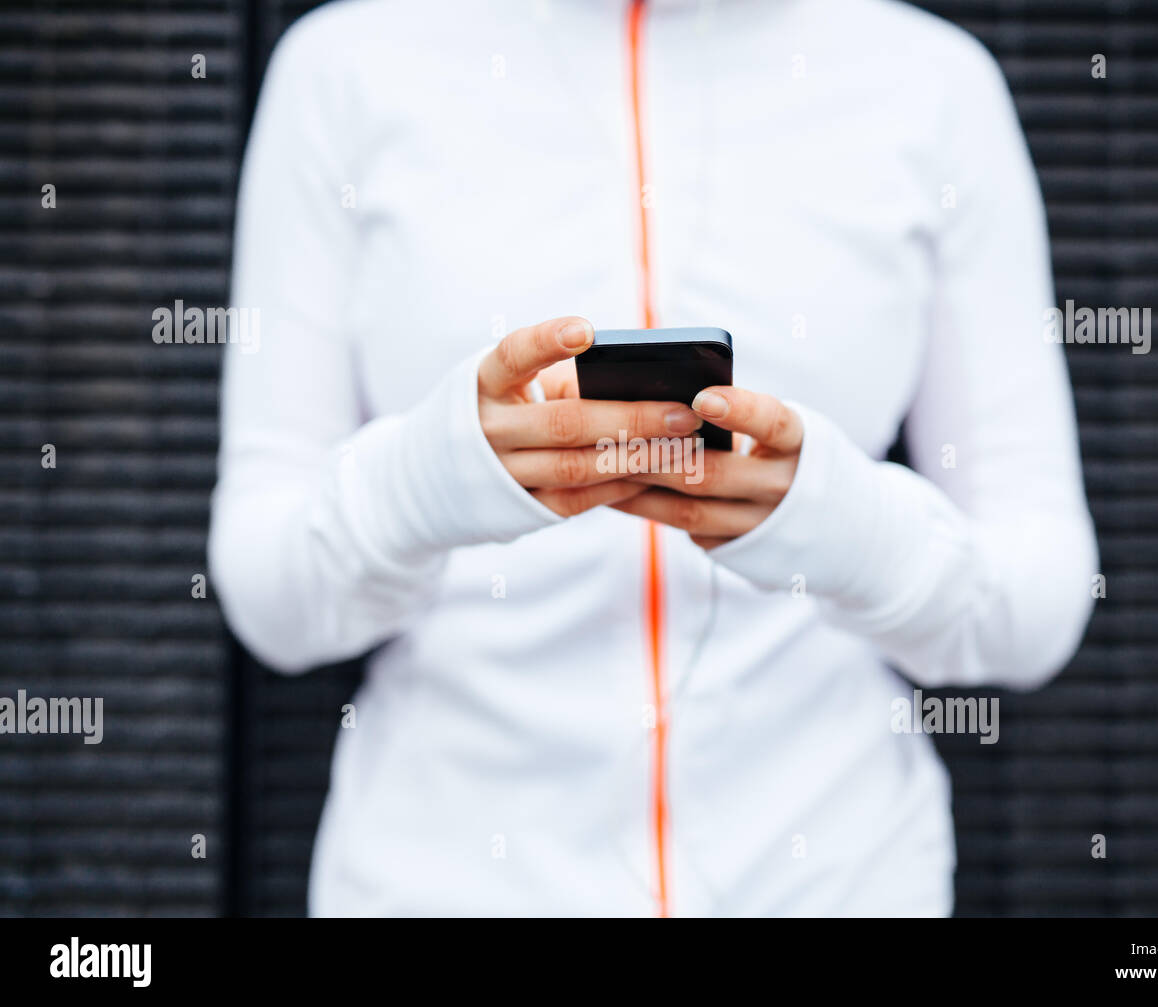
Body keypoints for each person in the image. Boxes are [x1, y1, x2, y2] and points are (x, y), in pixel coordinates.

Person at [209, 0, 1098, 917]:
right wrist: (430, 482)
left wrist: (837, 526)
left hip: (837, 877)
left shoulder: (932, 82)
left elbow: (1037, 600)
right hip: (444, 878)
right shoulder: (347, 65)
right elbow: (271, 595)